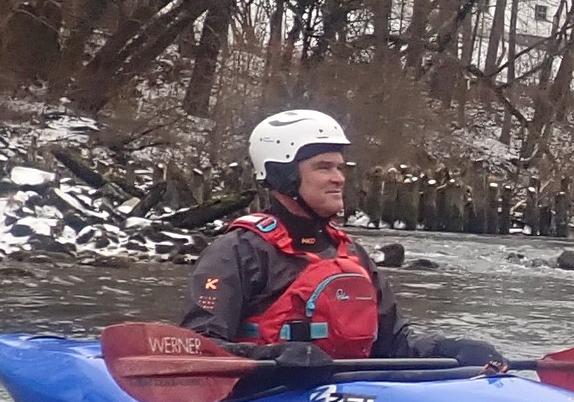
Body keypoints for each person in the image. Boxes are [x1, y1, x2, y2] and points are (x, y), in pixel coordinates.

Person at [180, 109, 505, 373]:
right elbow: (199, 346)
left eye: (339, 167)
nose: (339, 177)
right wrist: (273, 357)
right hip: (265, 398)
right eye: (323, 167)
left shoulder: (350, 254)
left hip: (348, 395)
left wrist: (448, 348)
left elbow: (394, 343)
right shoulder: (237, 251)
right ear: (283, 175)